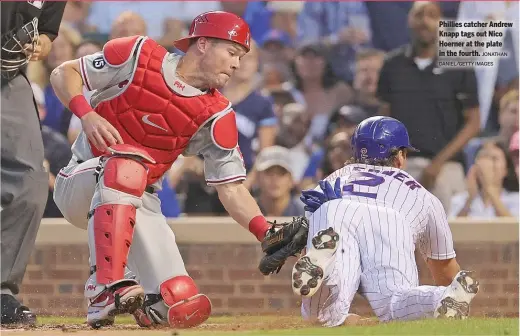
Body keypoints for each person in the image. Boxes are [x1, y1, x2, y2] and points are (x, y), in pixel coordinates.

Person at [49, 11, 306, 329]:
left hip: (143, 201)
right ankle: (104, 286)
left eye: (240, 57)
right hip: (82, 182)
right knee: (126, 167)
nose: (237, 64)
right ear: (203, 44)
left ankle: (139, 300)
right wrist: (86, 114)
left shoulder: (217, 114)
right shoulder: (138, 54)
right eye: (232, 53)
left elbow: (232, 187)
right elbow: (63, 74)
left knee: (181, 305)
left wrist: (264, 230)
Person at [296, 116, 480, 327]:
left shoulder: (331, 181)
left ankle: (328, 271)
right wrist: (452, 292)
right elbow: (445, 268)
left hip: (336, 208)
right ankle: (439, 298)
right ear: (400, 156)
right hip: (391, 222)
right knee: (396, 300)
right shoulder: (421, 195)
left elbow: (305, 252)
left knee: (320, 314)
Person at [1, 1, 66, 326]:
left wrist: (42, 42)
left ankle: (1, 291)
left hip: (7, 78)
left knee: (31, 180)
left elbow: (47, 32)